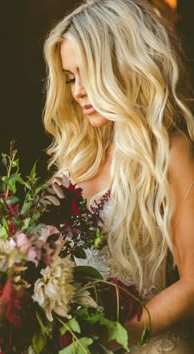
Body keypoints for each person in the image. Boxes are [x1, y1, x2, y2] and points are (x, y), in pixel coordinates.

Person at [42, 0, 194, 352]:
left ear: (119, 66)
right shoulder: (76, 159)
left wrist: (113, 338)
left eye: (85, 73)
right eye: (70, 78)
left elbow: (192, 283)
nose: (77, 90)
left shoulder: (169, 152)